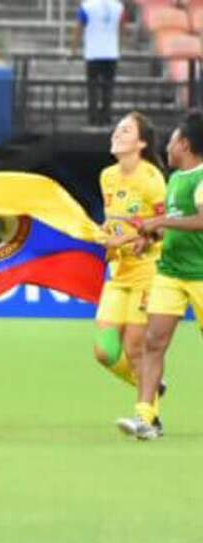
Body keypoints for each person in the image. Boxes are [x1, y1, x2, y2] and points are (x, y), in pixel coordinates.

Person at [118, 110, 203, 440]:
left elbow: (199, 221)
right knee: (153, 343)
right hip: (170, 273)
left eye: (171, 140)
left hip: (200, 275)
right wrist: (150, 237)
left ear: (184, 144)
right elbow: (176, 225)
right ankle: (146, 417)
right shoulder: (177, 179)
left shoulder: (200, 178)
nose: (166, 147)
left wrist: (159, 222)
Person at [93, 112, 167, 420]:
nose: (116, 133)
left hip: (146, 273)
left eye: (125, 130)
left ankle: (149, 416)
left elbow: (163, 226)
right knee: (105, 352)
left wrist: (137, 238)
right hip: (118, 273)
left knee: (136, 348)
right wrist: (102, 233)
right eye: (117, 128)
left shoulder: (151, 179)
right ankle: (152, 386)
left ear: (141, 143)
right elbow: (114, 222)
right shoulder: (107, 176)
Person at [71, 0, 125, 127]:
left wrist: (74, 49)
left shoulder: (87, 6)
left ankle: (93, 118)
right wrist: (119, 46)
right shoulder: (118, 7)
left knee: (93, 87)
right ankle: (106, 116)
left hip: (93, 53)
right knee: (108, 87)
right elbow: (122, 27)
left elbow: (78, 27)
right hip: (111, 53)